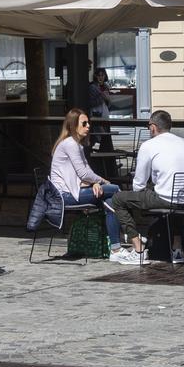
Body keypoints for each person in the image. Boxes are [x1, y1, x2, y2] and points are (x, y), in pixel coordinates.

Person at [107, 110, 184, 264]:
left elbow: (138, 184)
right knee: (172, 198)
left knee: (118, 199)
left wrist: (147, 190)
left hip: (169, 199)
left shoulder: (149, 145)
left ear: (152, 127)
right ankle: (177, 249)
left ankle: (138, 249)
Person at [48, 109, 123, 260]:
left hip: (73, 192)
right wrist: (101, 181)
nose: (88, 126)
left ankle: (116, 248)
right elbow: (83, 173)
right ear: (73, 125)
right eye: (84, 123)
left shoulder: (76, 145)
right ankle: (124, 238)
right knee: (115, 190)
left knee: (111, 200)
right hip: (65, 196)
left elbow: (85, 172)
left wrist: (95, 183)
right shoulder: (69, 144)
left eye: (88, 123)